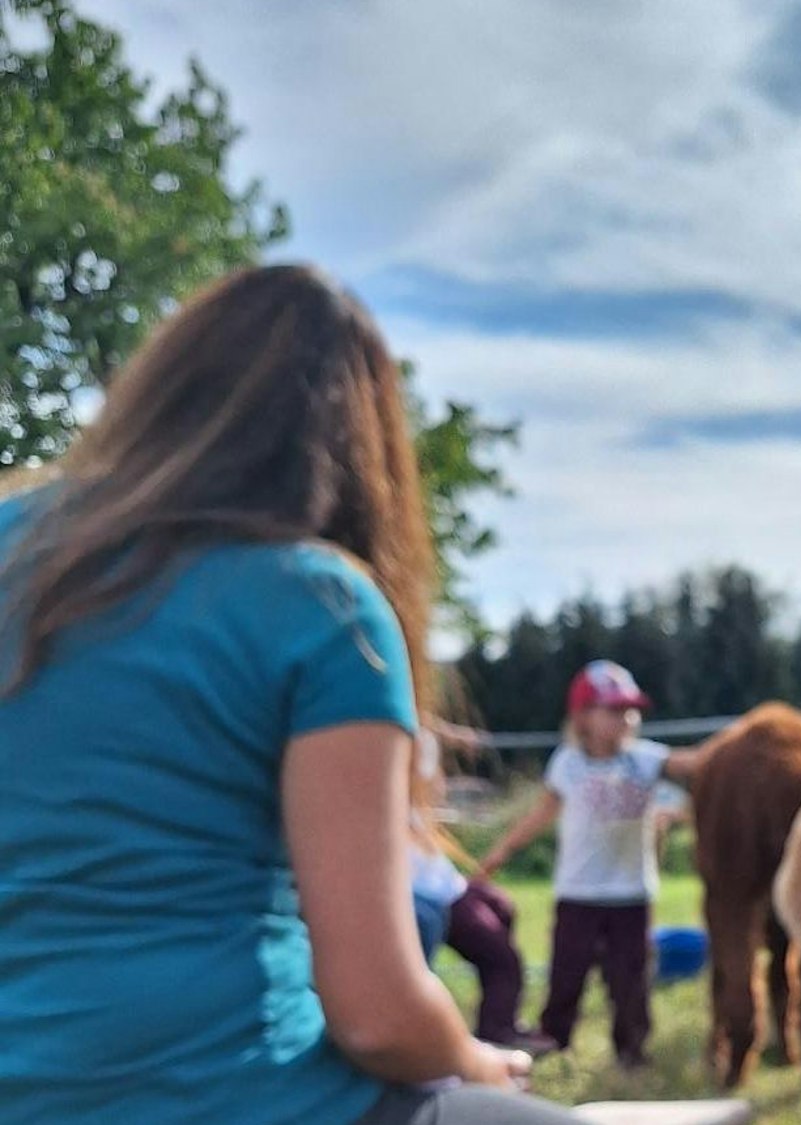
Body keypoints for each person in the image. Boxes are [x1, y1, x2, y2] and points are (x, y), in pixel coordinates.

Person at [0, 265, 582, 1123]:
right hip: (236, 1097)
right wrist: (477, 1062)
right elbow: (378, 1016)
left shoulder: (15, 543)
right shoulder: (320, 604)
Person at [477, 660, 673, 1070]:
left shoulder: (647, 760)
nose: (626, 718)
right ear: (583, 716)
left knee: (630, 979)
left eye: (630, 710)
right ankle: (555, 1040)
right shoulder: (568, 764)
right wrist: (501, 851)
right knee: (567, 974)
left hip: (631, 894)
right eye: (614, 709)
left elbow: (693, 766)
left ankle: (632, 1050)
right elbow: (541, 814)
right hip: (578, 893)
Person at [409, 725, 555, 1055]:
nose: (442, 782)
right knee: (501, 957)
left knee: (500, 906)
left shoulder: (415, 725)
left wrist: (450, 734)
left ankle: (499, 1020)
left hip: (442, 881)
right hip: (421, 890)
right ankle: (495, 1035)